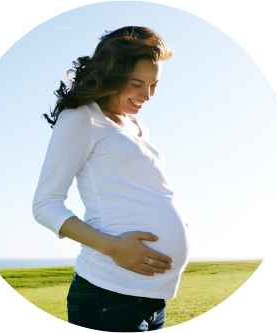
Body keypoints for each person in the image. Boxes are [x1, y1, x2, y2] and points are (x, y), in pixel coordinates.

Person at [32, 26, 191, 331]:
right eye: (137, 83)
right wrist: (111, 246)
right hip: (108, 294)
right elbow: (45, 205)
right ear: (112, 75)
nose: (147, 95)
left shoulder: (135, 126)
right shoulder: (81, 117)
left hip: (149, 299)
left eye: (154, 85)